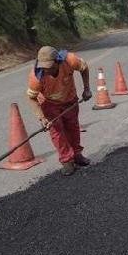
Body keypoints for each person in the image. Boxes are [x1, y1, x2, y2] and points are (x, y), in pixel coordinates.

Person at [26, 46, 92, 176]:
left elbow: (84, 68)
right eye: (43, 67)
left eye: (49, 66)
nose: (45, 70)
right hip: (49, 104)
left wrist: (87, 88)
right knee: (57, 133)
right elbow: (32, 98)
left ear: (58, 61)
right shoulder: (36, 77)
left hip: (70, 99)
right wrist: (42, 118)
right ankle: (67, 161)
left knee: (73, 128)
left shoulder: (69, 60)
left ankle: (77, 155)